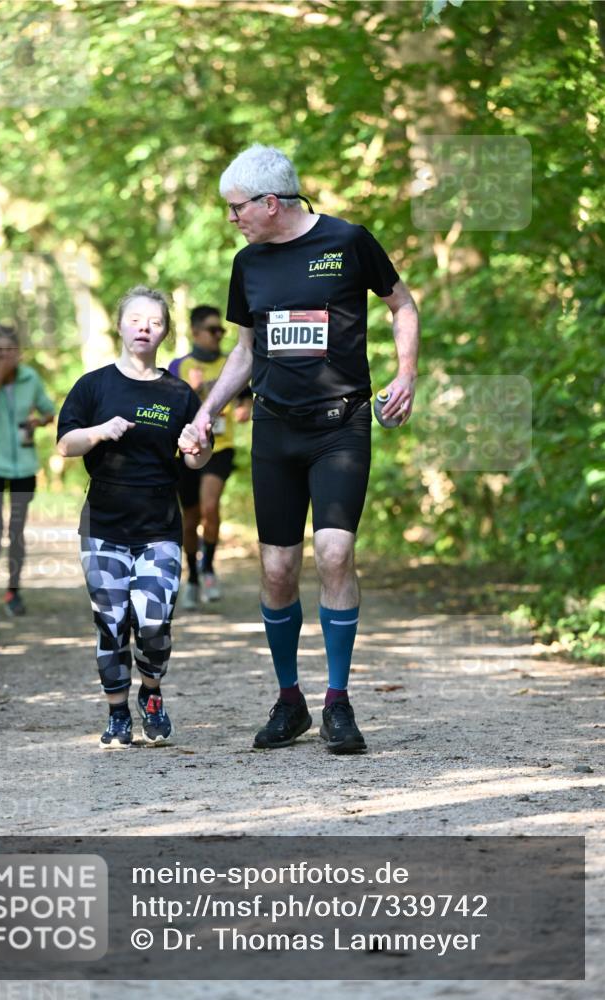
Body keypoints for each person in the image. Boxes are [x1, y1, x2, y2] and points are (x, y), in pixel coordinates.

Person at [182, 145, 420, 755]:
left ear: (271, 202)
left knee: (335, 554)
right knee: (277, 569)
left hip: (341, 424)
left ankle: (338, 702)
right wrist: (206, 413)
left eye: (237, 208)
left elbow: (402, 305)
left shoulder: (348, 241)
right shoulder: (247, 265)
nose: (231, 217)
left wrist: (405, 374)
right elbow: (244, 351)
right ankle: (291, 702)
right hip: (274, 429)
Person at [56, 286, 212, 750]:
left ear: (165, 331)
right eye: (136, 319)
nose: (145, 327)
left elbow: (196, 460)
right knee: (111, 621)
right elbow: (65, 444)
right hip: (103, 525)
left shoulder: (178, 392)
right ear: (120, 326)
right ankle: (117, 713)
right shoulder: (94, 386)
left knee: (152, 621)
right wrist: (100, 432)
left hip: (161, 527)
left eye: (155, 321)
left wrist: (197, 450)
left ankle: (152, 693)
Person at [0, 324, 55, 616]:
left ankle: (13, 591)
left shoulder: (31, 378)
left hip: (24, 466)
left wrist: (39, 422)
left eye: (10, 350)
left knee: (16, 531)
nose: (5, 355)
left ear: (18, 351)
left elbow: (49, 410)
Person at [169, 305, 252, 608]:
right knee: (189, 520)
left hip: (220, 447)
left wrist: (244, 410)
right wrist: (188, 391)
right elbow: (167, 408)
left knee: (209, 506)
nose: (219, 335)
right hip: (186, 450)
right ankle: (191, 575)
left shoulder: (234, 363)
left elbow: (245, 401)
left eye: (222, 330)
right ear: (195, 332)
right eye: (212, 330)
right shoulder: (178, 366)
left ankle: (209, 569)